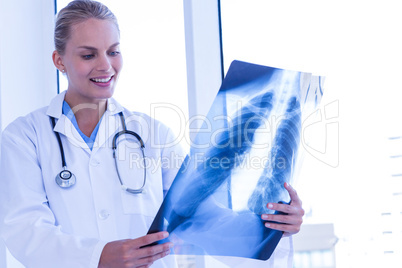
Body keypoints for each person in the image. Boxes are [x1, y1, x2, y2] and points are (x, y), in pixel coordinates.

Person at [0, 1, 304, 267]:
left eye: (113, 51)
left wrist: (274, 227)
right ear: (58, 60)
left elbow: (197, 217)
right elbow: (25, 231)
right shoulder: (25, 137)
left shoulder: (153, 134)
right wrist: (98, 256)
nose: (106, 66)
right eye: (88, 55)